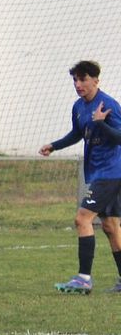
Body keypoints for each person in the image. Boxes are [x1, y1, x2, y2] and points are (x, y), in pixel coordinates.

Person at [39, 60, 121, 294]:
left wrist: (101, 124)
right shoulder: (78, 107)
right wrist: (54, 146)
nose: (78, 84)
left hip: (111, 172)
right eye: (75, 80)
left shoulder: (109, 105)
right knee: (111, 226)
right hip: (100, 173)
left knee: (82, 219)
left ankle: (84, 279)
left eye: (83, 79)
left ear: (96, 80)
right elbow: (77, 133)